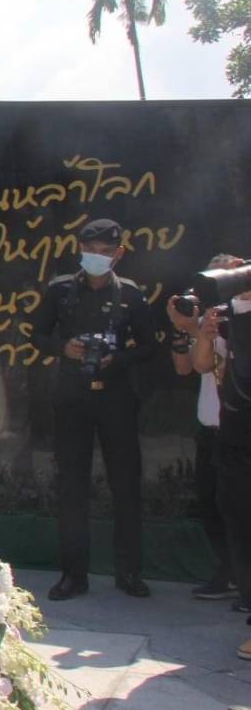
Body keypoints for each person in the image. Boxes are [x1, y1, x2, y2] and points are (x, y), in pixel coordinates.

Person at [33, 218, 159, 601]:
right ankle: (74, 575)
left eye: (105, 252)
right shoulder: (59, 291)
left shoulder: (132, 295)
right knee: (72, 486)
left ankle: (129, 572)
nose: (97, 258)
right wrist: (62, 347)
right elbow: (35, 333)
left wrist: (116, 358)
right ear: (80, 250)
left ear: (118, 254)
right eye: (90, 251)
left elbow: (150, 346)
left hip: (117, 399)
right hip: (72, 399)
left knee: (126, 485)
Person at [165, 254, 242, 604]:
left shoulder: (239, 319)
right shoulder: (210, 319)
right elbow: (190, 367)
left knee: (241, 510)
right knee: (213, 505)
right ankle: (228, 575)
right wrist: (183, 329)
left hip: (240, 427)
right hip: (209, 424)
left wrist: (197, 328)